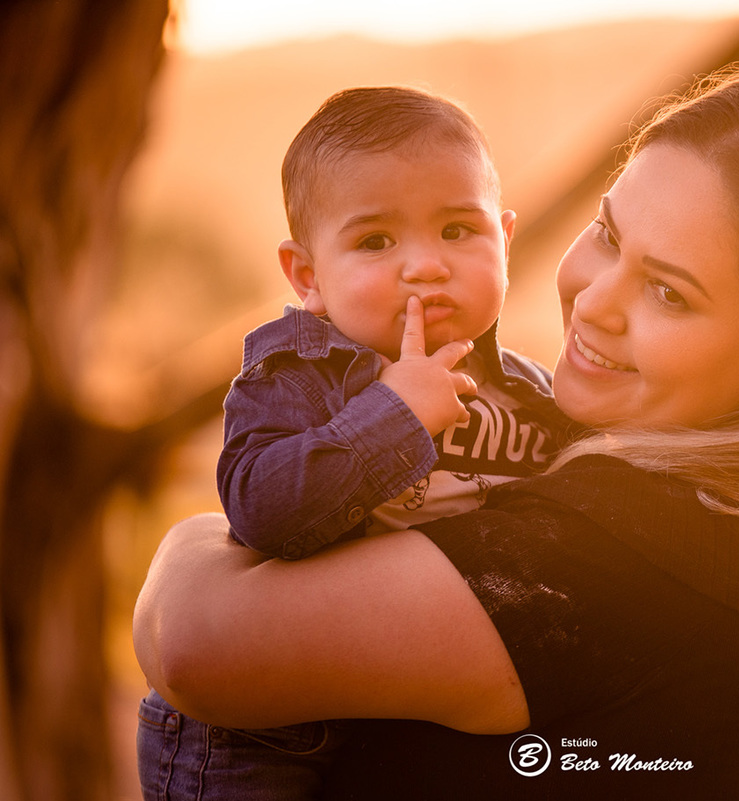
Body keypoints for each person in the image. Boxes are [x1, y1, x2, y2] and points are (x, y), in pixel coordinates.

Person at [133, 67, 739, 799]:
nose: (593, 300)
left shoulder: (631, 552)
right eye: (609, 234)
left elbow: (196, 645)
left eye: (670, 291)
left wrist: (191, 540)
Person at [135, 86, 571, 799]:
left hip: (404, 708)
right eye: (376, 241)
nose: (426, 266)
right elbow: (262, 512)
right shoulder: (297, 373)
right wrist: (394, 412)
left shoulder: (530, 394)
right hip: (265, 731)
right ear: (308, 276)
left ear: (505, 238)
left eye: (459, 230)